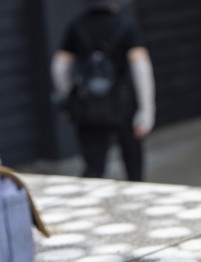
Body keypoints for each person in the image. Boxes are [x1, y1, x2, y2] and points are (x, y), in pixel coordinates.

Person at [51, 0, 155, 181]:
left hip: (88, 105)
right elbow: (141, 67)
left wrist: (68, 96)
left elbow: (59, 67)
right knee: (133, 166)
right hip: (123, 104)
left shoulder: (77, 25)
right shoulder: (126, 24)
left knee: (94, 169)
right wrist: (147, 109)